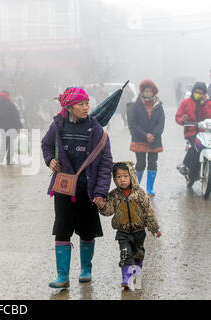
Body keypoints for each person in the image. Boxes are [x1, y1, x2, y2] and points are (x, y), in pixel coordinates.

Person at [41, 86, 113, 289]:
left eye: (87, 103)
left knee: (87, 231)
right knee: (62, 230)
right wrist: (50, 160)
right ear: (69, 107)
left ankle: (85, 270)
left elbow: (106, 162)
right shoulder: (58, 126)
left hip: (87, 191)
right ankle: (62, 276)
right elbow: (46, 145)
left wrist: (100, 192)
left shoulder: (95, 129)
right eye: (81, 103)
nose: (86, 107)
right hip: (64, 189)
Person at [97, 162, 161, 288]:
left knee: (138, 254)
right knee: (125, 254)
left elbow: (148, 212)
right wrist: (102, 206)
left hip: (139, 231)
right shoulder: (114, 195)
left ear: (132, 176)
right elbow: (109, 211)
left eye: (125, 176)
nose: (122, 180)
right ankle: (127, 278)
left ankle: (137, 277)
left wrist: (154, 228)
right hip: (123, 232)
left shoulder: (140, 194)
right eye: (118, 177)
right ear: (114, 179)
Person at [128, 79, 165, 196]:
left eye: (150, 91)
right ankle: (135, 187)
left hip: (155, 139)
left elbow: (161, 122)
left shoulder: (158, 106)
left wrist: (153, 135)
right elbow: (133, 123)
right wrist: (145, 135)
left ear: (154, 92)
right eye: (146, 91)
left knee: (153, 163)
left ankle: (149, 188)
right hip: (140, 139)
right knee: (140, 163)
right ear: (142, 92)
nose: (148, 93)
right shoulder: (135, 105)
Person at [176, 82, 211, 186]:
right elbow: (178, 116)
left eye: (200, 93)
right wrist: (182, 120)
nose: (198, 94)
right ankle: (185, 164)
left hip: (205, 132)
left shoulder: (207, 103)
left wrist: (203, 105)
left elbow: (208, 115)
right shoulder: (185, 102)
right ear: (193, 91)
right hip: (191, 132)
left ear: (204, 93)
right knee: (197, 145)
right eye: (196, 92)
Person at [0, 91, 23, 165]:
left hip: (2, 129)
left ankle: (1, 160)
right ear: (7, 96)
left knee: (4, 144)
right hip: (12, 128)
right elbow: (16, 117)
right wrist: (20, 126)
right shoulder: (11, 105)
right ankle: (9, 160)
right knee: (11, 144)